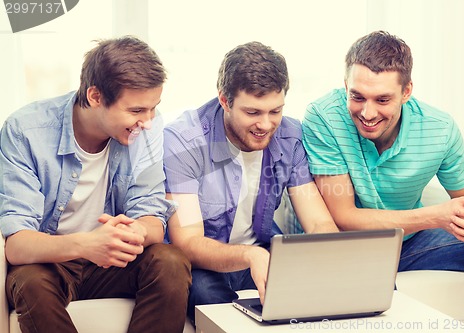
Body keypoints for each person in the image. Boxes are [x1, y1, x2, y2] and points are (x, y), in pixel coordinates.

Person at [302, 30, 464, 333]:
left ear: (407, 91)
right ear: (345, 86)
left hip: (411, 243)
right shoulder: (323, 117)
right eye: (356, 97)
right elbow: (343, 218)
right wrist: (436, 216)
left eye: (382, 99)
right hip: (347, 246)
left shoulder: (440, 128)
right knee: (374, 292)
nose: (367, 113)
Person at [0, 36, 192, 333]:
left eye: (153, 108)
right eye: (137, 111)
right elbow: (17, 245)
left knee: (170, 260)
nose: (149, 121)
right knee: (30, 282)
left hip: (112, 263)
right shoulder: (26, 131)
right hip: (52, 261)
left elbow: (153, 219)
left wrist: (135, 230)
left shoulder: (146, 130)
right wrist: (88, 245)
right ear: (95, 96)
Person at [163, 41, 339, 320]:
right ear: (224, 100)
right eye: (253, 113)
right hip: (203, 263)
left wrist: (337, 261)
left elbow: (318, 222)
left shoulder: (290, 136)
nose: (266, 125)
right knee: (207, 297)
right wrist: (249, 255)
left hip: (263, 252)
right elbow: (188, 242)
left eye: (275, 111)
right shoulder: (184, 141)